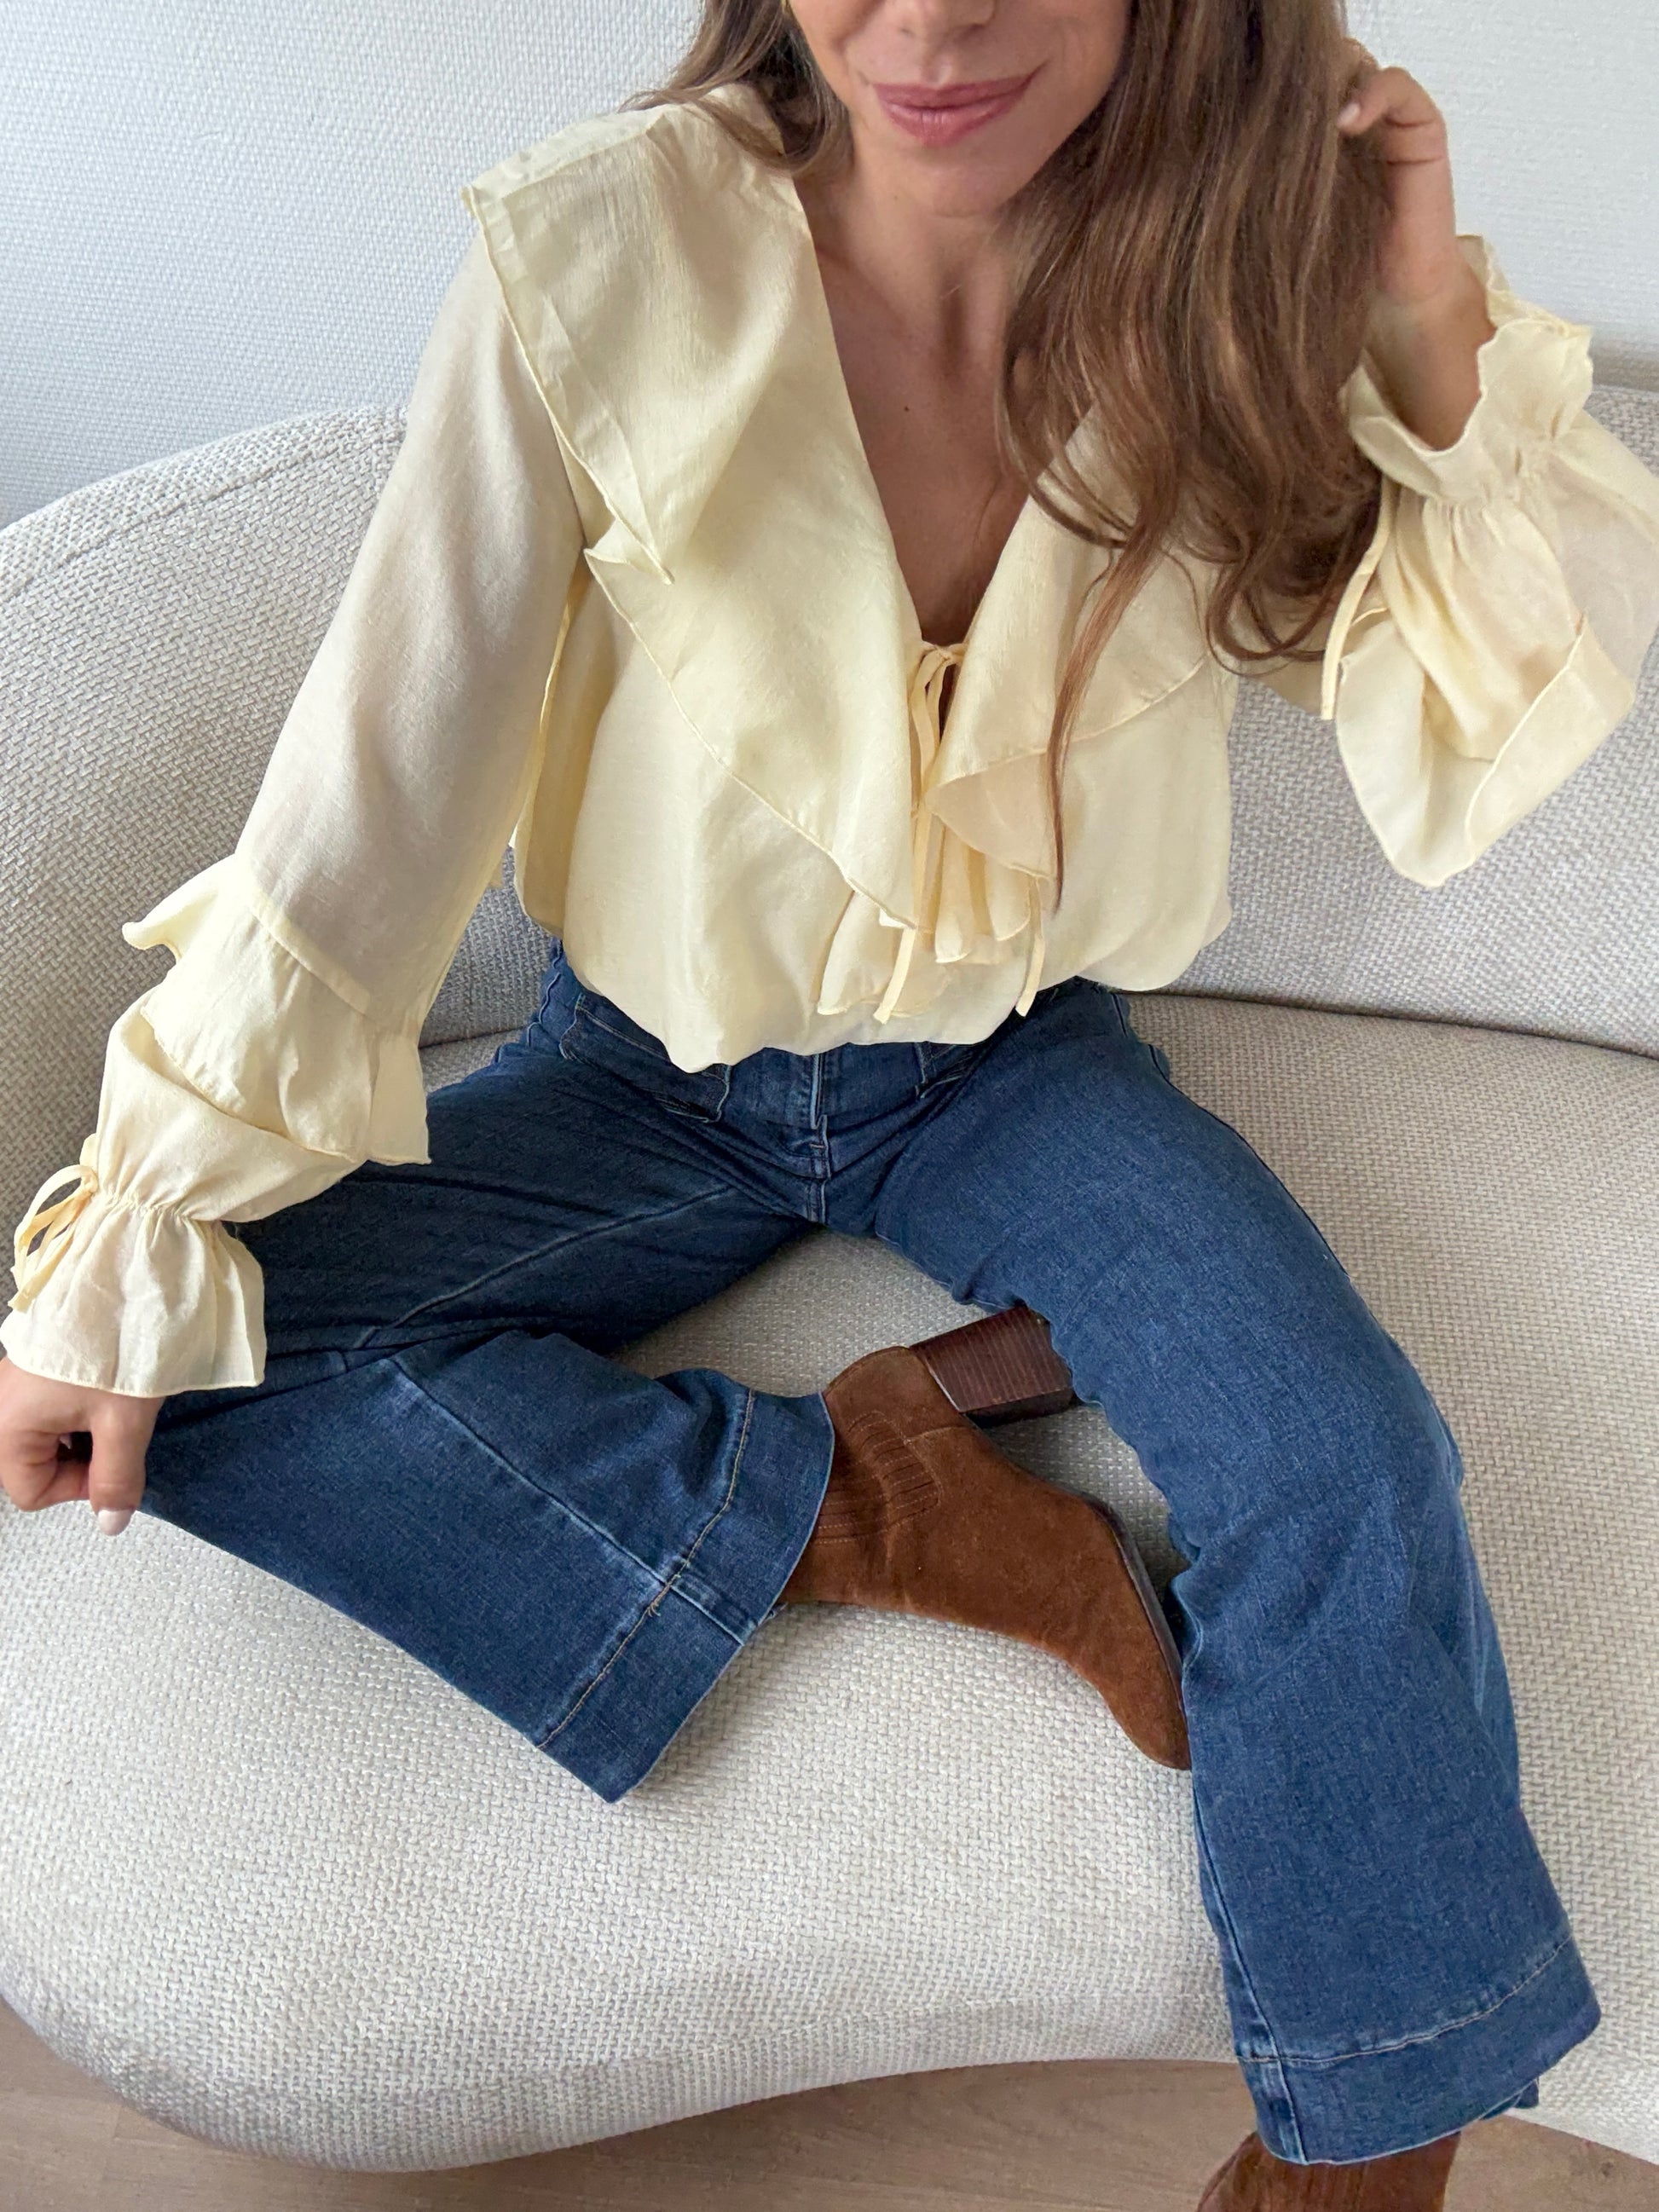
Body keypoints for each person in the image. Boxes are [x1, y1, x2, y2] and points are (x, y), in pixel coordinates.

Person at [5, 0, 1659, 2202]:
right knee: (178, 1354)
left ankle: (1369, 2149)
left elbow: (1479, 678)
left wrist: (1413, 298)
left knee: (1337, 1455)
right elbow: (373, 801)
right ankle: (863, 1497)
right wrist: (141, 1216)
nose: (932, 22)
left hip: (1003, 1068)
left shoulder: (1220, 265)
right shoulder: (606, 261)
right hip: (645, 1071)